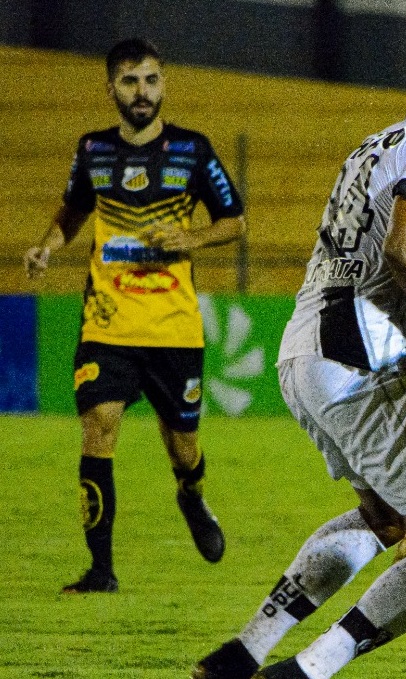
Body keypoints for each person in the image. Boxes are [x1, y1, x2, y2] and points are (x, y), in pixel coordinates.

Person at [192, 53, 406, 679]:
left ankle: (243, 653)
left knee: (386, 519)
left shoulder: (380, 142)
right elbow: (404, 246)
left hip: (304, 353)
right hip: (359, 359)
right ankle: (308, 671)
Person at [24, 38, 247, 594]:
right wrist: (48, 244)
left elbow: (235, 221)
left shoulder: (193, 150)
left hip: (173, 329)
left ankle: (191, 496)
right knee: (98, 431)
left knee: (183, 447)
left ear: (164, 83)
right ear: (111, 89)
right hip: (107, 324)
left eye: (150, 80)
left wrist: (190, 236)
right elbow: (72, 210)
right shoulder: (92, 149)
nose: (141, 91)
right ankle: (101, 571)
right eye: (129, 81)